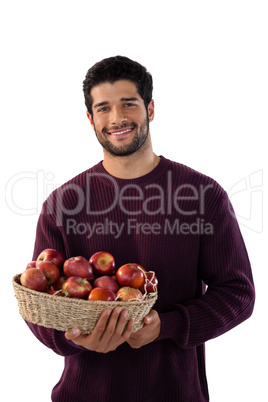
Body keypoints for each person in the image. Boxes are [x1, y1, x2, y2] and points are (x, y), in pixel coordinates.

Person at [27, 56, 255, 402]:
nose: (116, 118)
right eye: (103, 108)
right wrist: (73, 337)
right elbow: (39, 305)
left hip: (175, 393)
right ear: (90, 119)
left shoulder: (203, 195)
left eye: (128, 104)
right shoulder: (62, 204)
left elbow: (238, 293)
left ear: (149, 109)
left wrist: (168, 326)